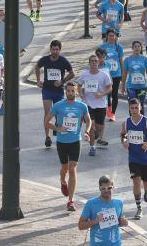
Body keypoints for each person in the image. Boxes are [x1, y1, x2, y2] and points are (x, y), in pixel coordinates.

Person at [44, 82, 92, 211]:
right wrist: (58, 128)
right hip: (61, 142)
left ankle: (70, 201)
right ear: (65, 91)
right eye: (68, 90)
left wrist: (87, 132)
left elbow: (88, 120)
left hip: (75, 141)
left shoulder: (82, 106)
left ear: (76, 91)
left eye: (72, 91)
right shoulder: (59, 106)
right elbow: (46, 121)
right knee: (64, 168)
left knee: (72, 168)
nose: (70, 93)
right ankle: (62, 180)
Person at [120, 98, 147, 220]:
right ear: (129, 109)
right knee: (136, 180)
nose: (134, 110)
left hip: (146, 157)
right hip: (133, 157)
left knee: (146, 182)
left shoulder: (146, 121)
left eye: (136, 108)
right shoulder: (126, 123)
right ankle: (139, 208)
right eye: (132, 108)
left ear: (140, 108)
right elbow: (123, 135)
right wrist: (124, 142)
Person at [35, 39, 75, 148]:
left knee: (59, 113)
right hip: (47, 89)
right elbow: (37, 67)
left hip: (58, 91)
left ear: (60, 50)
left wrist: (62, 81)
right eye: (53, 49)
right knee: (47, 113)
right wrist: (38, 80)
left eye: (57, 50)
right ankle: (47, 137)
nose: (55, 52)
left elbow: (72, 73)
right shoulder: (45, 60)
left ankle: (58, 129)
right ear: (50, 49)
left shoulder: (63, 61)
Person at [77, 54, 113, 155]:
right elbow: (79, 85)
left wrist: (102, 94)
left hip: (101, 105)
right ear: (89, 63)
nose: (94, 63)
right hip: (88, 104)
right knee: (91, 125)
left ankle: (97, 134)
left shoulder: (104, 75)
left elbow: (110, 88)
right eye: (92, 61)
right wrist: (80, 93)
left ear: (99, 63)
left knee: (99, 127)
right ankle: (92, 147)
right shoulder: (84, 74)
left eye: (96, 61)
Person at [78, 175, 128, 244]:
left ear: (113, 187)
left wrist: (124, 222)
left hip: (116, 243)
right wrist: (95, 221)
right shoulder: (91, 203)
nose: (106, 190)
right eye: (103, 188)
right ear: (99, 188)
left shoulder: (119, 203)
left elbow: (119, 222)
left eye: (109, 188)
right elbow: (80, 226)